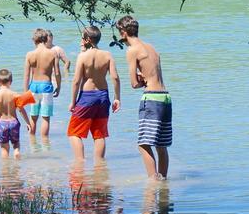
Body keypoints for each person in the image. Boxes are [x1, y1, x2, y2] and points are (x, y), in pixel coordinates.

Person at [116, 15, 171, 179]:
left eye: (120, 33)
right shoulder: (151, 47)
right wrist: (143, 77)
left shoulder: (132, 50)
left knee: (143, 144)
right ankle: (163, 184)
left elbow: (133, 84)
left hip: (152, 98)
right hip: (165, 97)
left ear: (124, 32)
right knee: (161, 145)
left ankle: (153, 182)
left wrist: (140, 80)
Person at [67, 26, 120, 163]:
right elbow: (115, 77)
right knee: (99, 134)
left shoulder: (83, 57)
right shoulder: (107, 55)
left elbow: (76, 81)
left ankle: (80, 162)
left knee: (74, 132)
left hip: (87, 97)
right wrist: (117, 98)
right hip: (103, 96)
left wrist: (73, 102)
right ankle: (99, 166)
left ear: (87, 40)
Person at [0, 69, 34, 159]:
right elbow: (21, 110)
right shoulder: (15, 95)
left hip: (2, 124)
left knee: (4, 148)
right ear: (11, 82)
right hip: (14, 122)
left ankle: (5, 168)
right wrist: (28, 123)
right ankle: (16, 151)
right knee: (16, 143)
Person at [24, 28, 61, 137]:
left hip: (34, 86)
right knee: (45, 117)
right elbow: (57, 73)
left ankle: (32, 141)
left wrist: (26, 92)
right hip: (46, 86)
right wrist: (58, 86)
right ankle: (45, 145)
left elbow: (26, 75)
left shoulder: (29, 54)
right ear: (46, 39)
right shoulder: (52, 54)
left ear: (34, 40)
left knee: (33, 116)